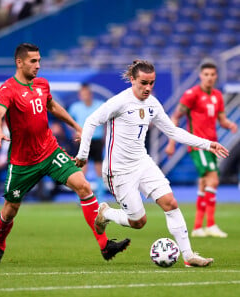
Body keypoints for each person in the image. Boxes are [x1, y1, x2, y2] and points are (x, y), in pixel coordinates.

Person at [75, 59, 230, 267]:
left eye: (152, 83)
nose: (148, 88)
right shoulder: (119, 102)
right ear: (132, 80)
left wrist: (208, 144)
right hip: (118, 170)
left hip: (142, 162)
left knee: (170, 203)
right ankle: (107, 213)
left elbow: (173, 131)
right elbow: (91, 120)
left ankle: (189, 255)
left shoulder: (152, 104)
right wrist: (83, 154)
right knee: (138, 222)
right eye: (143, 83)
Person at [0, 43, 130, 263]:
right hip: (22, 161)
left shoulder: (42, 84)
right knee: (10, 210)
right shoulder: (8, 89)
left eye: (39, 60)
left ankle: (105, 246)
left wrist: (76, 126)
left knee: (83, 185)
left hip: (49, 151)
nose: (38, 65)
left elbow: (52, 107)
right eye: (33, 61)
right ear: (19, 62)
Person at [165, 61, 238, 238]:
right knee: (213, 179)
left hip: (213, 144)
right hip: (199, 145)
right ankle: (211, 224)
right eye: (206, 74)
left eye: (212, 75)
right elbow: (175, 117)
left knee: (204, 183)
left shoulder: (218, 96)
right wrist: (171, 143)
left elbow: (221, 119)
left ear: (216, 76)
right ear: (200, 76)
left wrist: (229, 124)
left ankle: (198, 227)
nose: (209, 78)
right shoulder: (192, 95)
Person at [68, 83, 105, 201]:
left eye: (87, 93)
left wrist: (105, 135)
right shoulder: (75, 107)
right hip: (83, 141)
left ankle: (100, 197)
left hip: (97, 140)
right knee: (82, 168)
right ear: (80, 95)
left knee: (99, 169)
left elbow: (106, 122)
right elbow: (69, 121)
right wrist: (75, 132)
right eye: (83, 94)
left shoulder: (100, 105)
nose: (85, 96)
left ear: (91, 94)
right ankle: (81, 196)